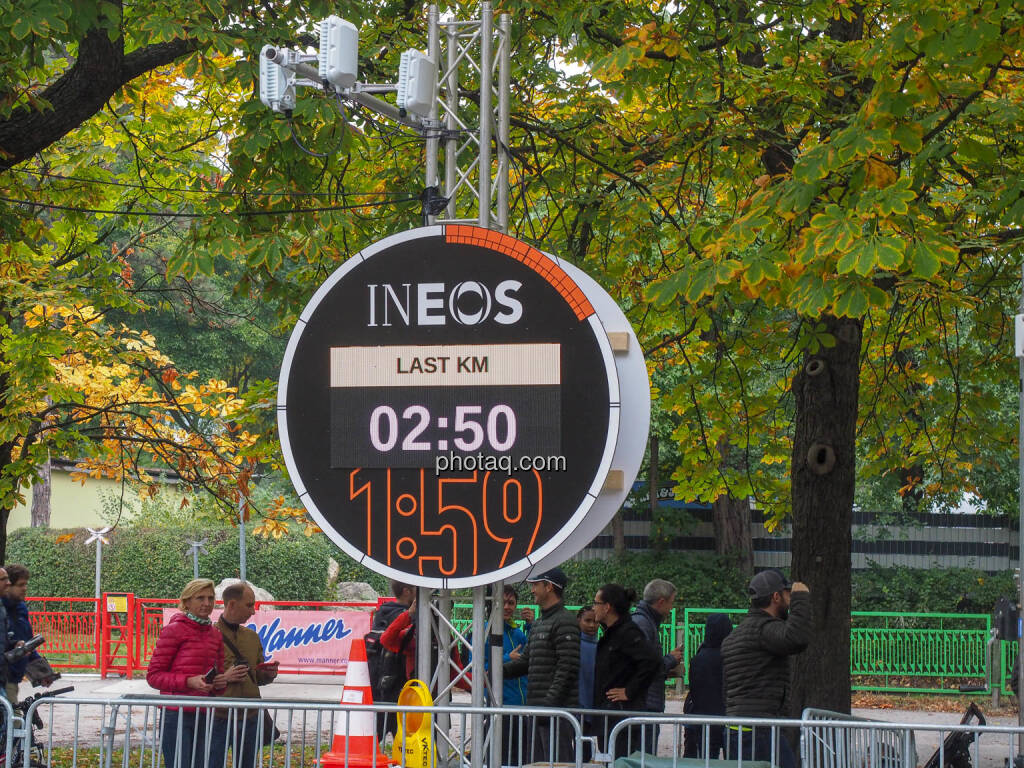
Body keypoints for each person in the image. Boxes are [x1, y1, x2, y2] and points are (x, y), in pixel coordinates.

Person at [146, 579, 246, 768]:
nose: (207, 603)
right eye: (200, 598)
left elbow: (218, 679)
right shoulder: (173, 630)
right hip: (176, 714)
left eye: (210, 598)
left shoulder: (215, 634)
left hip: (205, 713)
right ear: (187, 602)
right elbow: (154, 676)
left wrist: (219, 683)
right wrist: (189, 682)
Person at [721, 569, 811, 768]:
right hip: (759, 729)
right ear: (776, 596)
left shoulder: (735, 636)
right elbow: (796, 638)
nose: (790, 599)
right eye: (788, 595)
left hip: (738, 727)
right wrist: (801, 598)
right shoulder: (764, 630)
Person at [503, 567, 579, 764]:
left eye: (536, 585)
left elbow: (567, 669)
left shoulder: (564, 622)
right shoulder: (539, 624)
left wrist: (549, 705)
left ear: (549, 587)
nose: (532, 590)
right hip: (539, 712)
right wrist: (496, 672)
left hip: (556, 714)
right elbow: (527, 661)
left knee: (558, 763)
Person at [592, 583, 662, 759]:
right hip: (609, 715)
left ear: (607, 607)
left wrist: (629, 691)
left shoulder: (628, 632)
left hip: (621, 716)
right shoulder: (611, 632)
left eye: (596, 603)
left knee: (620, 760)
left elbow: (652, 661)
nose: (593, 608)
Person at [215, 582, 280, 768]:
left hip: (250, 716)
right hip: (219, 716)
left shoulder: (252, 637)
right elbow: (198, 676)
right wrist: (225, 678)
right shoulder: (210, 635)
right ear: (232, 605)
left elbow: (257, 677)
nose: (253, 611)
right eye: (249, 605)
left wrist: (268, 674)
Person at [632, 579, 683, 751]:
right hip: (644, 705)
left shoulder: (645, 623)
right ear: (661, 602)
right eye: (671, 603)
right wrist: (670, 660)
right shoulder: (643, 624)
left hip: (646, 703)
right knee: (642, 757)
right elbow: (642, 668)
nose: (671, 609)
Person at [367, 580, 415, 737]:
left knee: (377, 732)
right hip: (398, 681)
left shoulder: (382, 613)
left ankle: (373, 758)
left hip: (379, 681)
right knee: (402, 734)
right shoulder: (404, 617)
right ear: (406, 591)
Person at [2, 564, 57, 702]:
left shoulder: (21, 608)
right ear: (9, 586)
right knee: (13, 721)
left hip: (14, 678)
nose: (25, 588)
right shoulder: (4, 610)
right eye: (21, 585)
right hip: (5, 676)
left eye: (26, 584)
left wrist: (42, 672)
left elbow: (27, 644)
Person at [683, 613, 732, 759]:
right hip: (729, 717)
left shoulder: (698, 658)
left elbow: (694, 689)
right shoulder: (731, 656)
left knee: (707, 759)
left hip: (703, 719)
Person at [577, 606, 599, 761]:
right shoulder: (573, 645)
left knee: (587, 749)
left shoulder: (601, 646)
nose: (592, 625)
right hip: (576, 706)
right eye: (587, 621)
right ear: (578, 621)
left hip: (594, 706)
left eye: (596, 621)